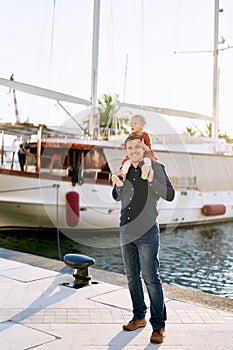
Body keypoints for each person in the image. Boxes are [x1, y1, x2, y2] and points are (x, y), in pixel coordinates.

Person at [112, 133, 175, 344]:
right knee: (131, 277)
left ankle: (159, 325)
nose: (133, 152)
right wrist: (118, 185)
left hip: (147, 231)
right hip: (126, 229)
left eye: (137, 148)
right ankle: (139, 317)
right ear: (126, 150)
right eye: (129, 148)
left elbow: (170, 194)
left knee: (151, 278)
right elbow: (116, 196)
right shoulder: (125, 168)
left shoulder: (156, 167)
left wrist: (151, 180)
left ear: (145, 148)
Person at [112, 114, 158, 187]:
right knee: (127, 162)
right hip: (134, 156)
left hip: (145, 154)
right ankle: (121, 176)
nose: (132, 125)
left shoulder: (145, 135)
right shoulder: (131, 136)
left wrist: (143, 145)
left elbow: (148, 149)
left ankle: (146, 171)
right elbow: (129, 146)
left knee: (147, 159)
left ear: (142, 125)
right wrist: (125, 146)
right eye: (131, 124)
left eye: (135, 123)